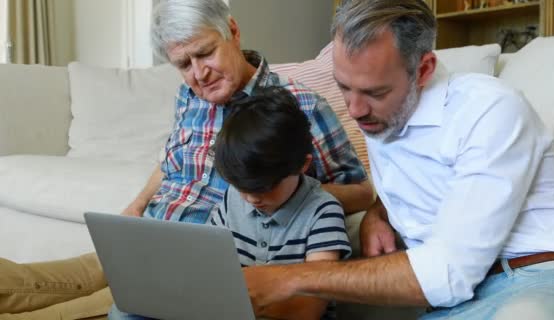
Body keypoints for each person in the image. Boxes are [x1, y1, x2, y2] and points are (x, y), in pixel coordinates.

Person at [0, 1, 373, 319]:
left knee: (96, 309)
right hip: (149, 234)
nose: (198, 73)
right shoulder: (189, 97)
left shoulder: (298, 107)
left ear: (232, 30)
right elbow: (170, 161)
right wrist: (136, 206)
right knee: (20, 281)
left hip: (197, 260)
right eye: (184, 63)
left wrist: (275, 189)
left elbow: (360, 190)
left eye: (205, 53)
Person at [242, 1, 554, 319]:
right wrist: (378, 212)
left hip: (539, 278)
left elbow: (449, 270)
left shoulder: (489, 110)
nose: (354, 110)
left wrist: (290, 278)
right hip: (455, 305)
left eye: (374, 91)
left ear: (424, 69)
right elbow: (430, 178)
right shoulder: (385, 114)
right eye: (344, 87)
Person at [110, 86, 352, 320]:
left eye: (264, 188)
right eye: (242, 188)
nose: (252, 198)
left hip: (275, 314)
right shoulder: (233, 199)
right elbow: (208, 266)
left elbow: (307, 310)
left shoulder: (323, 212)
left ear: (302, 165)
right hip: (229, 311)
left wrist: (232, 297)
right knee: (125, 311)